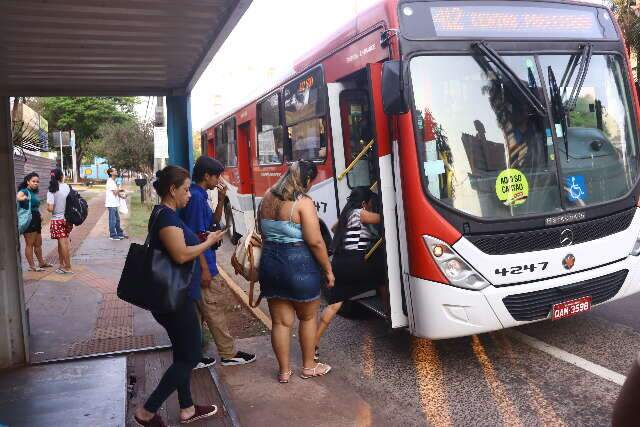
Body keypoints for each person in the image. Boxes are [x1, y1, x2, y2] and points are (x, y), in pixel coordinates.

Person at [134, 166, 225, 427]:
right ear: (172, 190)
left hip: (174, 295)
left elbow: (181, 245)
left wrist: (200, 238)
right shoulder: (166, 218)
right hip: (175, 299)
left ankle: (187, 407)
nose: (189, 195)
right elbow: (181, 255)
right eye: (185, 190)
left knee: (182, 353)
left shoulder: (165, 213)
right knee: (191, 355)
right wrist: (208, 242)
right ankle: (147, 411)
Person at [258, 160, 334, 383]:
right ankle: (309, 366)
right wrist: (328, 270)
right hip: (299, 266)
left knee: (281, 322)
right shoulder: (302, 202)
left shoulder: (266, 198)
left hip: (271, 265)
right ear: (307, 180)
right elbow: (316, 242)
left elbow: (262, 233)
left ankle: (284, 372)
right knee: (308, 317)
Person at [180, 156, 256, 368]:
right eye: (217, 176)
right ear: (206, 175)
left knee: (198, 313)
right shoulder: (195, 198)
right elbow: (196, 236)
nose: (220, 180)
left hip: (200, 263)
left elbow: (212, 223)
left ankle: (192, 356)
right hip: (203, 264)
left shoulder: (200, 195)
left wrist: (221, 199)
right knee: (214, 310)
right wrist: (205, 269)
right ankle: (228, 354)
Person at [315, 187, 387, 356]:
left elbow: (334, 228)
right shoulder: (359, 213)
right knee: (382, 278)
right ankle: (389, 314)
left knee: (334, 305)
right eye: (370, 203)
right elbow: (384, 218)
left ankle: (314, 342)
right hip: (354, 263)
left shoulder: (346, 215)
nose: (371, 206)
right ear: (364, 203)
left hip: (340, 262)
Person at [16, 172, 53, 272]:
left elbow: (35, 206)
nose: (36, 183)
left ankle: (41, 263)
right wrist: (22, 198)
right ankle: (32, 266)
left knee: (38, 243)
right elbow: (17, 196)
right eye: (33, 181)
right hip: (29, 219)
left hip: (36, 218)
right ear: (28, 182)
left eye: (37, 181)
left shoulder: (34, 193)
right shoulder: (24, 191)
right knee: (30, 243)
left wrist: (40, 215)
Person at [46, 168, 73, 274]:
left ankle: (68, 267)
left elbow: (51, 208)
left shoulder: (51, 190)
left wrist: (47, 208)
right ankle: (61, 265)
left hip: (57, 220)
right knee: (61, 243)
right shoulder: (66, 187)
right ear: (61, 176)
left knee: (63, 244)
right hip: (66, 220)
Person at [106, 167, 126, 240]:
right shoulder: (110, 181)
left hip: (114, 203)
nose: (116, 171)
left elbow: (116, 193)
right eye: (115, 170)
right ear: (111, 173)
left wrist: (122, 196)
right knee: (113, 220)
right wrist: (120, 188)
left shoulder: (113, 181)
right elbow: (115, 192)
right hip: (111, 204)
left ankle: (119, 233)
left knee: (117, 220)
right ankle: (112, 235)